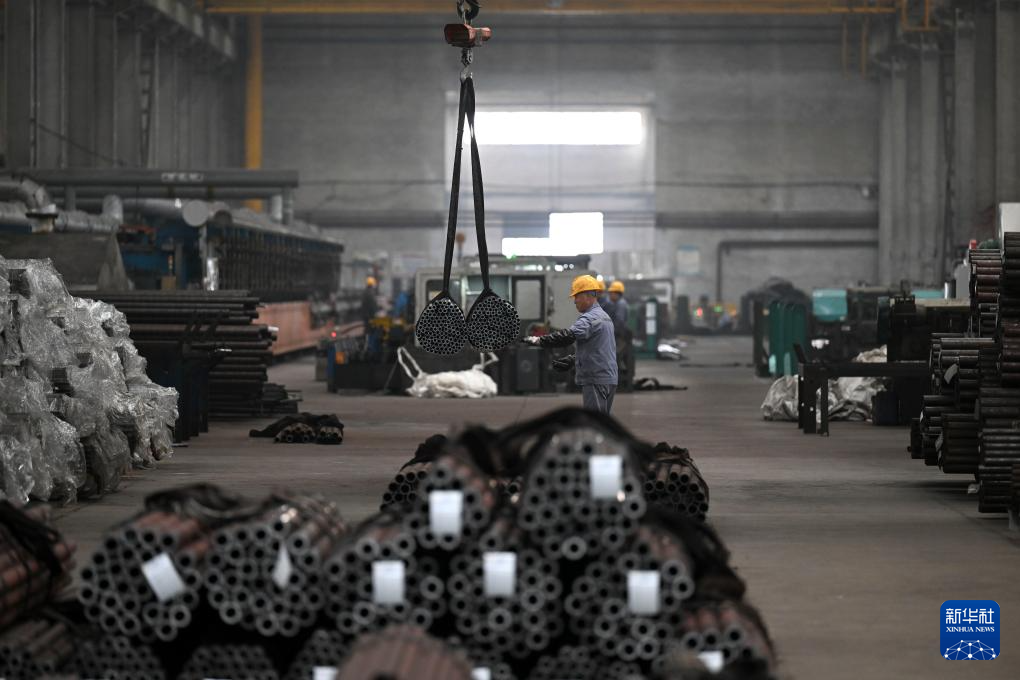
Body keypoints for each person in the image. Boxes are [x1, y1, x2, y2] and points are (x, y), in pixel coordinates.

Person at [523, 275, 618, 414]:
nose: (574, 301)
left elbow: (567, 336)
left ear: (587, 296)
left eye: (576, 296)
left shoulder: (591, 318)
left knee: (592, 422)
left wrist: (539, 340)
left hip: (596, 378)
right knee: (601, 421)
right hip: (607, 378)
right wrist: (573, 360)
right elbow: (598, 349)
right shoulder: (604, 316)